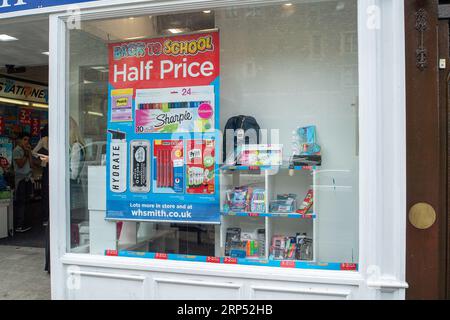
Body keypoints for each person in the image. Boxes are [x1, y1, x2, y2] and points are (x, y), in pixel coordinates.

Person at [33, 125, 50, 273]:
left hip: (46, 167)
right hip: (50, 166)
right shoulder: (51, 139)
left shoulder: (43, 140)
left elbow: (33, 152)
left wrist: (41, 158)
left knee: (46, 193)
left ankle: (46, 217)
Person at [13, 132, 33, 233]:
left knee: (26, 201)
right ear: (20, 140)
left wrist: (29, 152)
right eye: (24, 139)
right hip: (21, 179)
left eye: (28, 140)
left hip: (28, 178)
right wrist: (25, 153)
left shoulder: (26, 150)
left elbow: (31, 164)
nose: (26, 142)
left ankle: (24, 223)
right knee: (21, 202)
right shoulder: (17, 150)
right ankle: (19, 225)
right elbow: (20, 164)